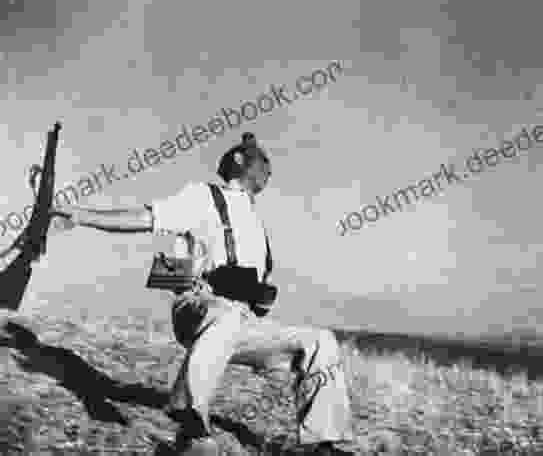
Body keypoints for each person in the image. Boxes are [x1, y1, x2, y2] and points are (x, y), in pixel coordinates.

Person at [52, 132, 355, 456]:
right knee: (223, 315)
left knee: (321, 340)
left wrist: (258, 296)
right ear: (239, 161)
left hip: (238, 321)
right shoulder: (203, 196)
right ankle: (191, 421)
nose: (270, 170)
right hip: (198, 306)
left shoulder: (256, 222)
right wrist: (81, 215)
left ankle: (324, 444)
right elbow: (144, 218)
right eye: (264, 161)